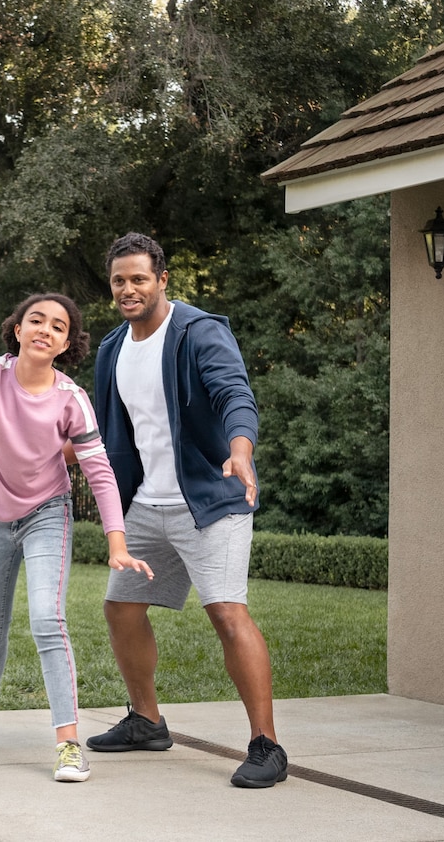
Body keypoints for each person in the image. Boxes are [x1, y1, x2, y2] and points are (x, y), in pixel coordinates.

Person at [0, 293, 154, 783]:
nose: (45, 329)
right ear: (17, 330)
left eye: (58, 326)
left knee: (47, 618)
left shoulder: (71, 398)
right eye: (35, 320)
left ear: (66, 343)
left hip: (47, 514)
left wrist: (117, 541)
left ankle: (68, 745)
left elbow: (99, 471)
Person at [84, 232, 287, 788]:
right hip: (147, 504)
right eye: (119, 281)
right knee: (121, 609)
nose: (128, 289)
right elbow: (104, 430)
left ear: (162, 280)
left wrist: (240, 449)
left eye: (139, 279)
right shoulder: (111, 349)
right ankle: (146, 721)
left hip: (210, 500)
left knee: (226, 612)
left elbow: (233, 394)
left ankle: (267, 745)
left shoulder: (198, 331)